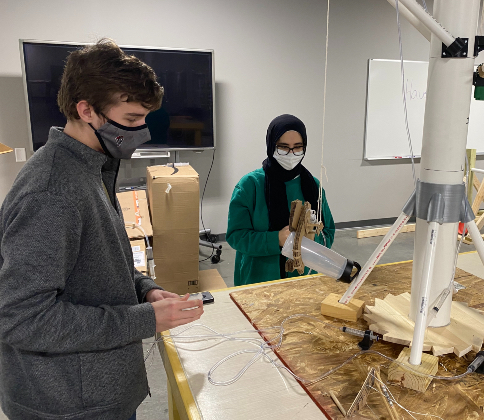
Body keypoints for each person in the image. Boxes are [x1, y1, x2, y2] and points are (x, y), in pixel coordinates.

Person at [0, 39, 204, 420]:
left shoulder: (91, 167)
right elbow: (21, 317)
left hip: (94, 391)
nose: (141, 131)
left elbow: (97, 266)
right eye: (129, 121)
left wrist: (146, 290)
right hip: (67, 404)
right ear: (86, 110)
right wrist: (145, 319)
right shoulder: (52, 191)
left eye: (144, 120)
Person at [227, 114, 335, 286]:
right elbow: (236, 236)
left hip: (304, 279)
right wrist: (276, 239)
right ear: (271, 146)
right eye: (284, 147)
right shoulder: (250, 185)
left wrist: (313, 239)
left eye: (298, 147)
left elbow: (328, 232)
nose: (291, 154)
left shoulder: (313, 186)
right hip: (259, 280)